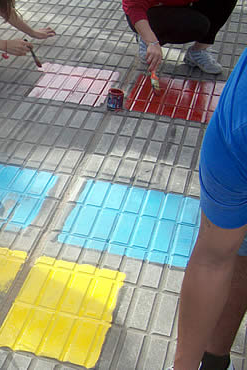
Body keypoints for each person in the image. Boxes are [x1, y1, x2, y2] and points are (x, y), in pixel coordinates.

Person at [172, 48, 247, 370]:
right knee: (231, 250)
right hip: (236, 145)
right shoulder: (236, 131)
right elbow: (215, 258)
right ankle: (215, 361)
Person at [122, 0, 237, 74]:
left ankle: (198, 52)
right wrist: (151, 42)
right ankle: (146, 36)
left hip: (182, 4)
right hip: (150, 10)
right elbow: (134, 7)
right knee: (198, 25)